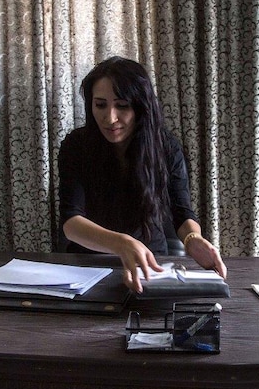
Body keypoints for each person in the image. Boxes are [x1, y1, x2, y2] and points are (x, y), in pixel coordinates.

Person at [58, 56, 227, 292]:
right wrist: (121, 243)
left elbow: (182, 212)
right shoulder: (75, 146)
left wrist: (192, 239)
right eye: (100, 105)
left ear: (140, 106)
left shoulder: (166, 146)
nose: (110, 118)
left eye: (122, 105)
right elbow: (71, 223)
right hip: (88, 267)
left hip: (150, 264)